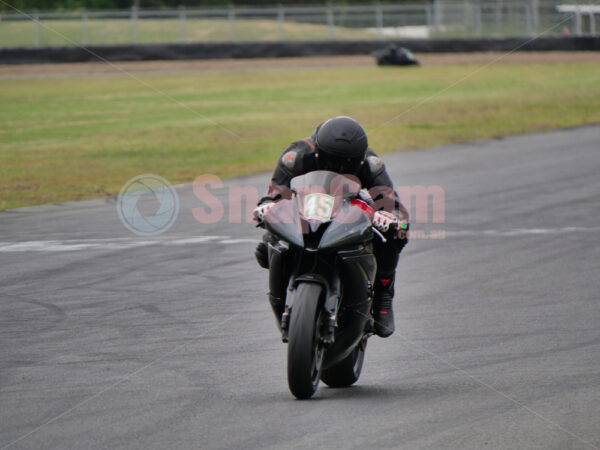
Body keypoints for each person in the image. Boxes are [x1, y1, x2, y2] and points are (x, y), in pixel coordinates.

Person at [253, 116, 409, 337]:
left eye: (346, 163)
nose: (339, 167)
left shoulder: (370, 163)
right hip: (306, 213)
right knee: (268, 241)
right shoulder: (295, 156)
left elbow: (391, 202)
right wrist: (267, 206)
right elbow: (275, 192)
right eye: (333, 161)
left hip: (347, 215)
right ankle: (280, 276)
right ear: (318, 152)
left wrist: (389, 217)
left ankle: (384, 293)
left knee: (396, 234)